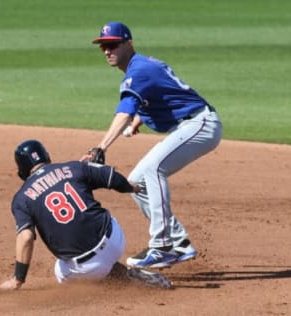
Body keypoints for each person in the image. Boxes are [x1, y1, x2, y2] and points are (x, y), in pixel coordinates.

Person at [83, 22, 223, 269]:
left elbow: (124, 111)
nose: (107, 50)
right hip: (189, 125)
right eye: (104, 46)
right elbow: (160, 96)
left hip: (200, 124)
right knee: (136, 181)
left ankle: (162, 246)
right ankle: (179, 243)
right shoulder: (144, 67)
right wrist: (140, 120)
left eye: (113, 44)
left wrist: (101, 146)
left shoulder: (139, 71)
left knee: (153, 169)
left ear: (129, 44)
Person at [0, 139, 173, 290]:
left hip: (86, 268)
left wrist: (18, 279)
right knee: (100, 218)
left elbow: (26, 237)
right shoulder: (74, 167)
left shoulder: (21, 199)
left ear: (21, 170)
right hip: (115, 240)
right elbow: (114, 178)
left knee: (61, 272)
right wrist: (131, 187)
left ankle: (121, 277)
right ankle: (112, 270)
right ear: (46, 156)